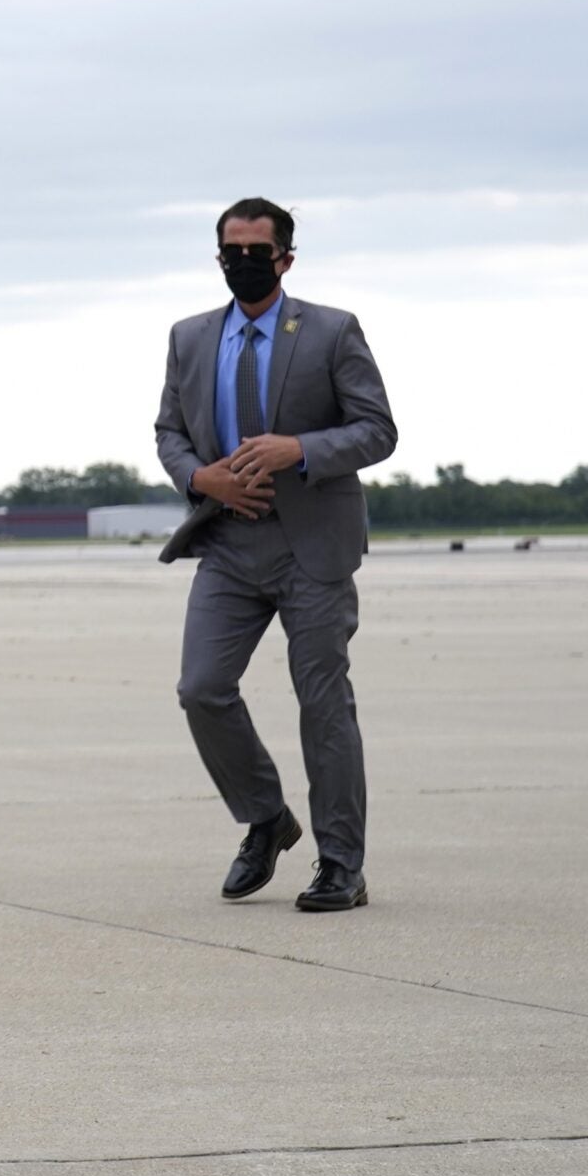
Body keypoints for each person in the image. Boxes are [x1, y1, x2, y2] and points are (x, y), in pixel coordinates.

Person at [154, 197, 397, 912]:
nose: (244, 263)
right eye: (232, 251)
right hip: (227, 541)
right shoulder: (190, 337)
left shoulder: (330, 330)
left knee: (323, 704)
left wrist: (300, 449)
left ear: (286, 258)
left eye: (258, 252)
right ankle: (265, 816)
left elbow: (377, 430)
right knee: (201, 688)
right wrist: (203, 477)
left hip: (312, 545)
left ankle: (341, 864)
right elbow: (169, 432)